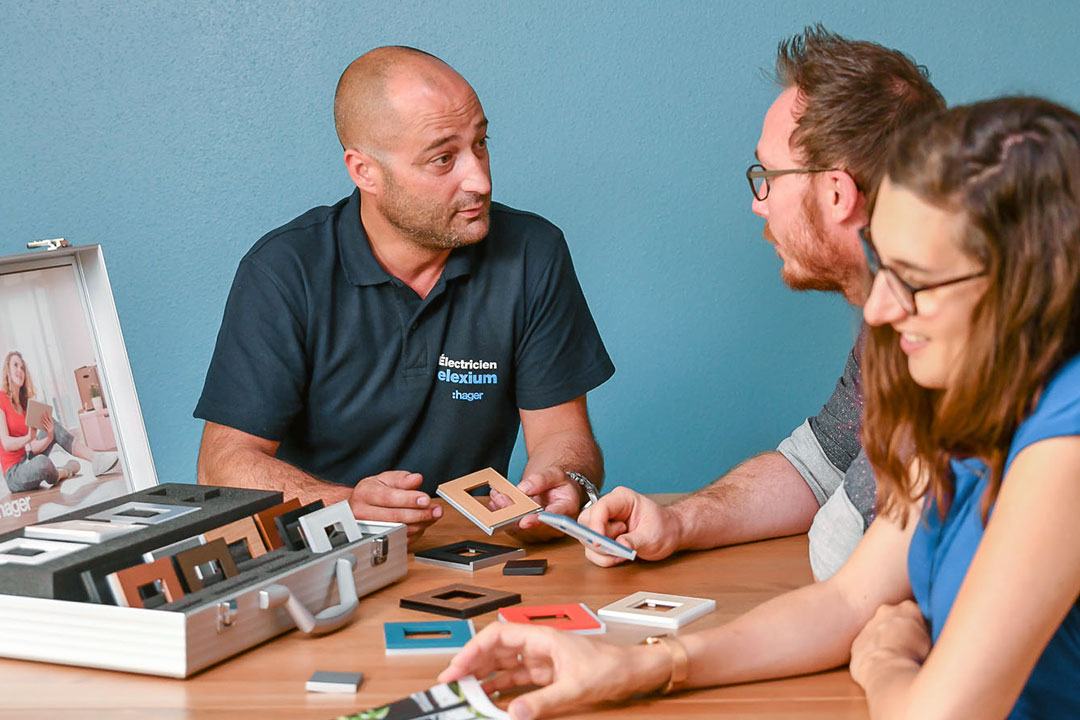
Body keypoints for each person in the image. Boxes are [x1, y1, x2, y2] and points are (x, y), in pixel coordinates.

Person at [440, 96, 1080, 720]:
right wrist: (632, 666)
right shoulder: (960, 399)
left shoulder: (1066, 444)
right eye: (883, 269)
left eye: (913, 280)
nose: (882, 310)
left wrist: (887, 658)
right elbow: (847, 603)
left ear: (1023, 282)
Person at [194, 46, 614, 541]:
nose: (479, 179)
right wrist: (346, 506)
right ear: (364, 171)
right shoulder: (284, 270)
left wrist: (562, 483)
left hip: (471, 553)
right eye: (443, 158)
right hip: (330, 555)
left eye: (481, 143)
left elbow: (562, 434)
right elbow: (222, 465)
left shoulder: (532, 252)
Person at [581, 26, 945, 579]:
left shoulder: (949, 350)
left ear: (837, 193)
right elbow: (817, 464)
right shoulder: (886, 322)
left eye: (768, 176)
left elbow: (863, 577)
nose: (759, 203)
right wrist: (678, 522)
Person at [1, 351, 119, 492]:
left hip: (28, 458)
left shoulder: (24, 405)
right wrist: (28, 437)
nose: (20, 370)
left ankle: (95, 459)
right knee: (43, 463)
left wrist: (50, 436)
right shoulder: (1, 398)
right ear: (7, 370)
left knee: (50, 423)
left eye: (22, 368)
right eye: (15, 365)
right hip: (14, 473)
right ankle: (63, 472)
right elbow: (6, 444)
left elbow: (32, 447)